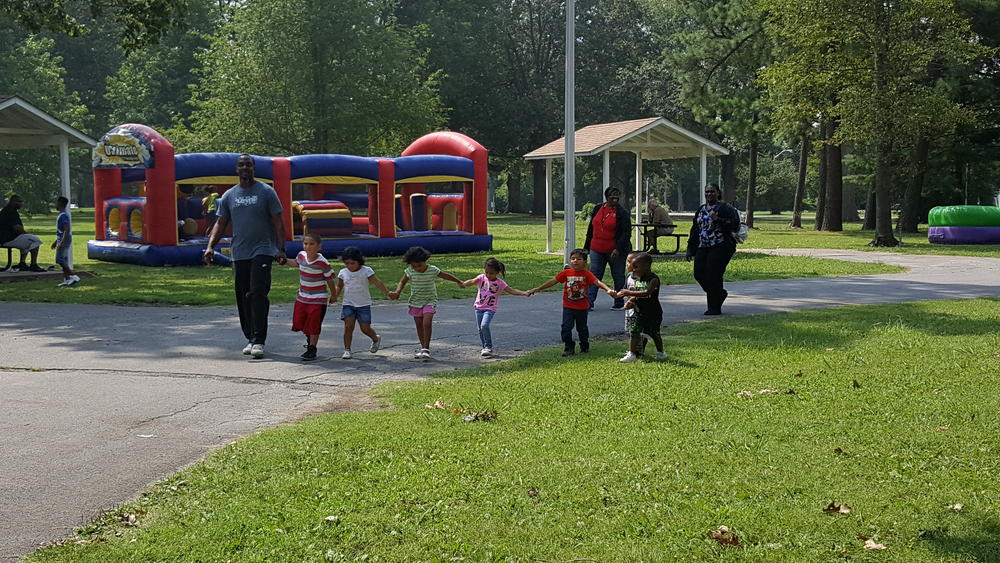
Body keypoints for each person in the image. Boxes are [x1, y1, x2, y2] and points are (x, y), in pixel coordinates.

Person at [203, 154, 286, 359]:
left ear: (254, 168)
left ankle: (259, 340)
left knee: (257, 293)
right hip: (239, 252)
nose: (245, 168)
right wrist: (210, 246)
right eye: (241, 165)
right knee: (243, 296)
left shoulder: (266, 192)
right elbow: (220, 224)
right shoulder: (229, 196)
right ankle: (250, 337)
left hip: (263, 249)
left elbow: (278, 221)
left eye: (248, 164)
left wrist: (280, 248)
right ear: (236, 169)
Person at [529, 249, 614, 357]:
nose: (575, 261)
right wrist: (537, 289)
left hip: (582, 307)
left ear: (585, 262)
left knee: (582, 328)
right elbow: (552, 281)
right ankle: (569, 347)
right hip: (568, 306)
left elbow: (597, 282)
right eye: (573, 259)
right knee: (566, 327)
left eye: (579, 259)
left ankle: (584, 345)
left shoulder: (587, 274)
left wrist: (608, 290)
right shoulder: (566, 273)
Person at [389, 246, 463, 360]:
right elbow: (402, 282)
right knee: (419, 325)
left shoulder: (432, 269)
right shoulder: (409, 271)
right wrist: (397, 292)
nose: (417, 268)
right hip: (415, 301)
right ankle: (423, 347)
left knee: (426, 323)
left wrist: (458, 281)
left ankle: (426, 349)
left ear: (425, 261)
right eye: (414, 266)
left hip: (430, 300)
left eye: (419, 265)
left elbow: (445, 275)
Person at [277, 233, 335, 361]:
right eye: (305, 243)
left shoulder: (322, 262)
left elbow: (330, 280)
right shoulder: (301, 256)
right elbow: (296, 263)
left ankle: (312, 348)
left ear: (319, 246)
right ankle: (309, 337)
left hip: (318, 298)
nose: (308, 247)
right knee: (298, 321)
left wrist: (333, 295)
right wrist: (285, 261)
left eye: (312, 244)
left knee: (314, 323)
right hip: (302, 297)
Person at [459, 257, 531, 358]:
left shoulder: (500, 283)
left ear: (497, 272)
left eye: (491, 273)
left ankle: (488, 347)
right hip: (479, 308)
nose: (488, 275)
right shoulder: (481, 278)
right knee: (480, 329)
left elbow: (511, 290)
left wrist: (524, 293)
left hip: (490, 308)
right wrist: (463, 284)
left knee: (484, 325)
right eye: (486, 272)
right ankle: (484, 347)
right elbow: (472, 281)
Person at [686, 183, 740, 315]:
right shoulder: (701, 209)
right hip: (703, 246)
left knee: (714, 275)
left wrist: (717, 219)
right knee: (699, 273)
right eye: (707, 192)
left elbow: (734, 224)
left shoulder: (725, 208)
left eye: (712, 192)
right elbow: (695, 229)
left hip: (720, 246)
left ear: (718, 193)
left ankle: (714, 307)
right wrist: (689, 248)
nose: (709, 194)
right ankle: (719, 294)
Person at [333, 246, 392, 360]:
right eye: (347, 263)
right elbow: (339, 286)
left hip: (363, 304)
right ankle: (347, 349)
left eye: (353, 263)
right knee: (348, 327)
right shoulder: (343, 272)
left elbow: (377, 282)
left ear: (359, 261)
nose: (350, 266)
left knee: (365, 328)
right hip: (348, 304)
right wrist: (334, 296)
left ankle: (375, 338)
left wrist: (388, 292)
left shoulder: (366, 270)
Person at [612, 251, 665, 362]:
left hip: (653, 312)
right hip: (638, 311)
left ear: (646, 266)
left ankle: (661, 352)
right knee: (634, 331)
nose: (634, 269)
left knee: (654, 333)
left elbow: (646, 293)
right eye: (633, 267)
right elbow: (636, 292)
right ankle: (632, 353)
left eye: (636, 267)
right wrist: (630, 299)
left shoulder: (653, 279)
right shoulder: (636, 278)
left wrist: (629, 293)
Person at [584, 187, 631, 310]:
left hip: (614, 250)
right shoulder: (598, 208)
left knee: (618, 275)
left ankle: (619, 301)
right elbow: (591, 228)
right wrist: (586, 247)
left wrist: (618, 249)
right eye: (612, 195)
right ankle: (589, 302)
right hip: (596, 248)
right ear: (607, 196)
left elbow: (626, 233)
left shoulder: (622, 213)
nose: (615, 197)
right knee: (594, 275)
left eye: (617, 195)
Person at [0, 194, 44, 272]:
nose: (21, 204)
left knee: (27, 241)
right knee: (35, 240)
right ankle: (33, 265)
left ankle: (22, 263)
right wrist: (25, 233)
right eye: (19, 202)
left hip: (5, 238)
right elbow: (17, 228)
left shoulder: (7, 210)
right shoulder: (11, 212)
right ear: (13, 201)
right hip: (8, 239)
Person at [51, 196, 80, 286]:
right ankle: (67, 279)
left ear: (60, 203)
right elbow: (60, 231)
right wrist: (56, 242)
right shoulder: (62, 214)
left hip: (65, 240)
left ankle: (73, 276)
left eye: (56, 202)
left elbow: (66, 229)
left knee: (60, 260)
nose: (55, 204)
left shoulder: (63, 215)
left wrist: (62, 242)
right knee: (64, 260)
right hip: (62, 239)